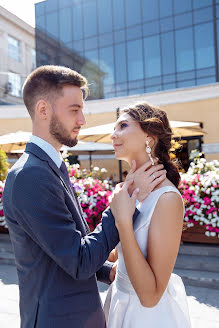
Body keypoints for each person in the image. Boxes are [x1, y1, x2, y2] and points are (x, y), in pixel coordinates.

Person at [3, 66, 166, 328]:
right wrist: (123, 205)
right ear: (43, 110)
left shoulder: (50, 167)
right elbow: (78, 261)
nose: (82, 120)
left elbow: (61, 249)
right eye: (74, 110)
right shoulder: (30, 176)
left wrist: (107, 271)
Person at [104, 102, 191, 327]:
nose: (113, 134)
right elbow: (115, 256)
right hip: (118, 305)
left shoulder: (167, 199)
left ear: (149, 137)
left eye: (123, 125)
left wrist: (123, 221)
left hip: (145, 317)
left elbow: (150, 296)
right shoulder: (130, 192)